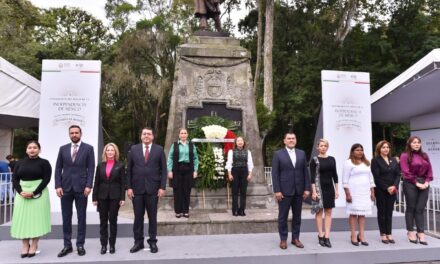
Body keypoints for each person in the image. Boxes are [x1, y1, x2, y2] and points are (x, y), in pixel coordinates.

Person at [55, 125, 95, 257]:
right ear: (69, 134)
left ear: (81, 133)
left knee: (81, 217)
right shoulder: (63, 149)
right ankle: (67, 245)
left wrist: (89, 185)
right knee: (66, 218)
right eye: (71, 133)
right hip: (65, 188)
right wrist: (58, 186)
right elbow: (58, 169)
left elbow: (91, 168)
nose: (74, 135)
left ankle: (80, 245)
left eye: (76, 132)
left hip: (82, 188)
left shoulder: (88, 149)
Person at [127, 127, 167, 254]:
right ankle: (138, 242)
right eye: (144, 134)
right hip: (137, 190)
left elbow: (164, 170)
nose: (146, 136)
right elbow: (129, 171)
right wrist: (129, 187)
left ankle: (153, 242)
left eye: (149, 134)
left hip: (153, 190)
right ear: (141, 136)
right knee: (138, 217)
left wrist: (162, 187)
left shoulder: (159, 150)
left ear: (152, 136)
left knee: (152, 217)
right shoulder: (133, 149)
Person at [10, 140, 51, 258]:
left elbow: (46, 179)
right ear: (26, 150)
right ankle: (25, 245)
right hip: (22, 193)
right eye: (29, 147)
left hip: (39, 194)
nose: (32, 149)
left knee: (36, 220)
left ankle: (34, 245)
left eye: (35, 147)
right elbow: (14, 179)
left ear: (39, 149)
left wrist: (34, 192)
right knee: (23, 219)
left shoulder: (44, 163)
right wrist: (20, 191)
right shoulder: (19, 163)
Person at [272, 132, 311, 250]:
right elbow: (275, 174)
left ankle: (295, 238)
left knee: (297, 216)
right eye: (288, 138)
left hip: (299, 191)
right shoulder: (278, 154)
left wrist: (307, 188)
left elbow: (305, 171)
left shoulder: (301, 153)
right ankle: (283, 240)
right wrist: (277, 190)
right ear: (284, 141)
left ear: (296, 140)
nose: (291, 140)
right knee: (282, 217)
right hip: (284, 191)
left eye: (293, 138)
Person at [92, 143, 126, 254]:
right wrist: (94, 197)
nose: (110, 152)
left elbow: (122, 183)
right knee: (103, 221)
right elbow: (96, 182)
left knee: (113, 221)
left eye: (112, 150)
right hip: (102, 197)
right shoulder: (100, 165)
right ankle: (103, 245)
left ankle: (112, 245)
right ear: (105, 152)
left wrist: (122, 198)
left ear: (115, 152)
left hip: (115, 197)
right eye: (108, 150)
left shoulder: (120, 165)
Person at [400, 136, 432, 245]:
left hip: (424, 184)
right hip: (410, 183)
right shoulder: (404, 156)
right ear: (409, 144)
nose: (417, 144)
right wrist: (416, 183)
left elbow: (430, 171)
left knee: (420, 209)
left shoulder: (424, 155)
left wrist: (426, 182)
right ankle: (410, 231)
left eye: (418, 142)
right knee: (411, 208)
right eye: (414, 142)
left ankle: (421, 233)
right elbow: (405, 172)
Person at [343, 143, 375, 246]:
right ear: (352, 152)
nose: (360, 151)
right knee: (353, 214)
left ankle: (361, 235)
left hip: (365, 192)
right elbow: (345, 180)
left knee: (362, 214)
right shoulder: (348, 163)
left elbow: (371, 179)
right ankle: (353, 235)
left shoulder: (366, 163)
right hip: (353, 192)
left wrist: (372, 192)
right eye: (357, 150)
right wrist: (347, 194)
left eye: (361, 150)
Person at [309, 139, 339, 248]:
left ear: (327, 147)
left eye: (325, 146)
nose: (323, 147)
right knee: (319, 212)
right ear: (318, 147)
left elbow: (335, 175)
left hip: (329, 188)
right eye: (321, 146)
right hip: (318, 188)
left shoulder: (332, 159)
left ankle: (327, 237)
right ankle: (320, 235)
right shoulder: (314, 160)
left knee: (329, 211)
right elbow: (312, 177)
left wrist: (337, 190)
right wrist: (314, 191)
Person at [371, 140, 400, 244]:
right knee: (382, 212)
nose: (386, 149)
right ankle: (383, 234)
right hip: (381, 190)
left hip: (392, 190)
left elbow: (398, 175)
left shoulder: (394, 160)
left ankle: (389, 233)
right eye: (383, 147)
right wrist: (386, 187)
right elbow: (376, 177)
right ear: (379, 149)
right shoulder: (375, 160)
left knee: (389, 212)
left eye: (387, 147)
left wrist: (394, 186)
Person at [167, 128, 199, 218]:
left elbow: (196, 158)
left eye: (185, 133)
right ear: (179, 135)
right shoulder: (175, 145)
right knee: (177, 191)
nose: (183, 135)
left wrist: (195, 170)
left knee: (186, 191)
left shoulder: (191, 145)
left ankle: (185, 211)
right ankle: (178, 211)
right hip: (177, 169)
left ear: (187, 135)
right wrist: (169, 170)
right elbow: (170, 158)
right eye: (182, 133)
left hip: (188, 169)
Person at [225, 136, 254, 216]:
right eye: (238, 140)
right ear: (236, 142)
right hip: (235, 171)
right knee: (235, 192)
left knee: (243, 192)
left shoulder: (248, 152)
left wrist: (250, 174)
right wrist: (230, 174)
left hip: (244, 171)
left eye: (241, 140)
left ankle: (242, 210)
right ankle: (234, 210)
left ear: (244, 142)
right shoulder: (231, 151)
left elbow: (250, 164)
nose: (240, 142)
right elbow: (229, 163)